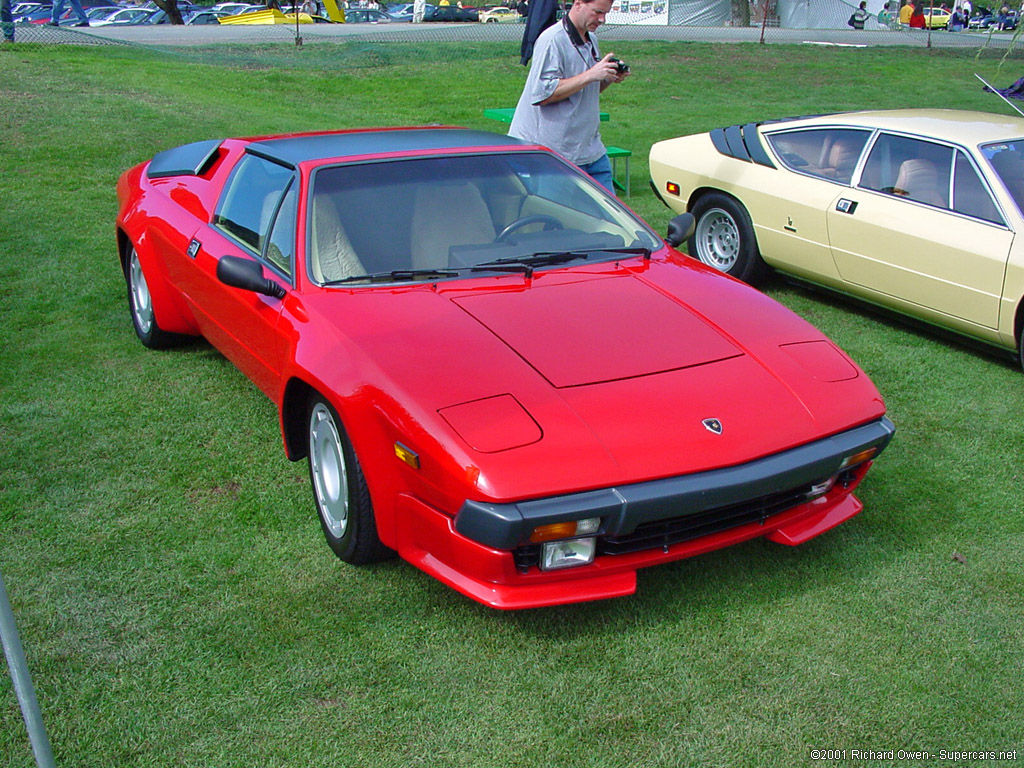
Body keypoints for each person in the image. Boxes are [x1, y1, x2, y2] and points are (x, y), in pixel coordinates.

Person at [508, 0, 629, 193]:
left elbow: (581, 90)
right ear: (579, 3)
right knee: (559, 219)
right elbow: (542, 94)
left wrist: (607, 78)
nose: (602, 19)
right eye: (597, 12)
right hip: (554, 156)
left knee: (611, 219)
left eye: (606, 13)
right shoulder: (552, 40)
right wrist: (591, 74)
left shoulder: (591, 39)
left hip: (591, 151)